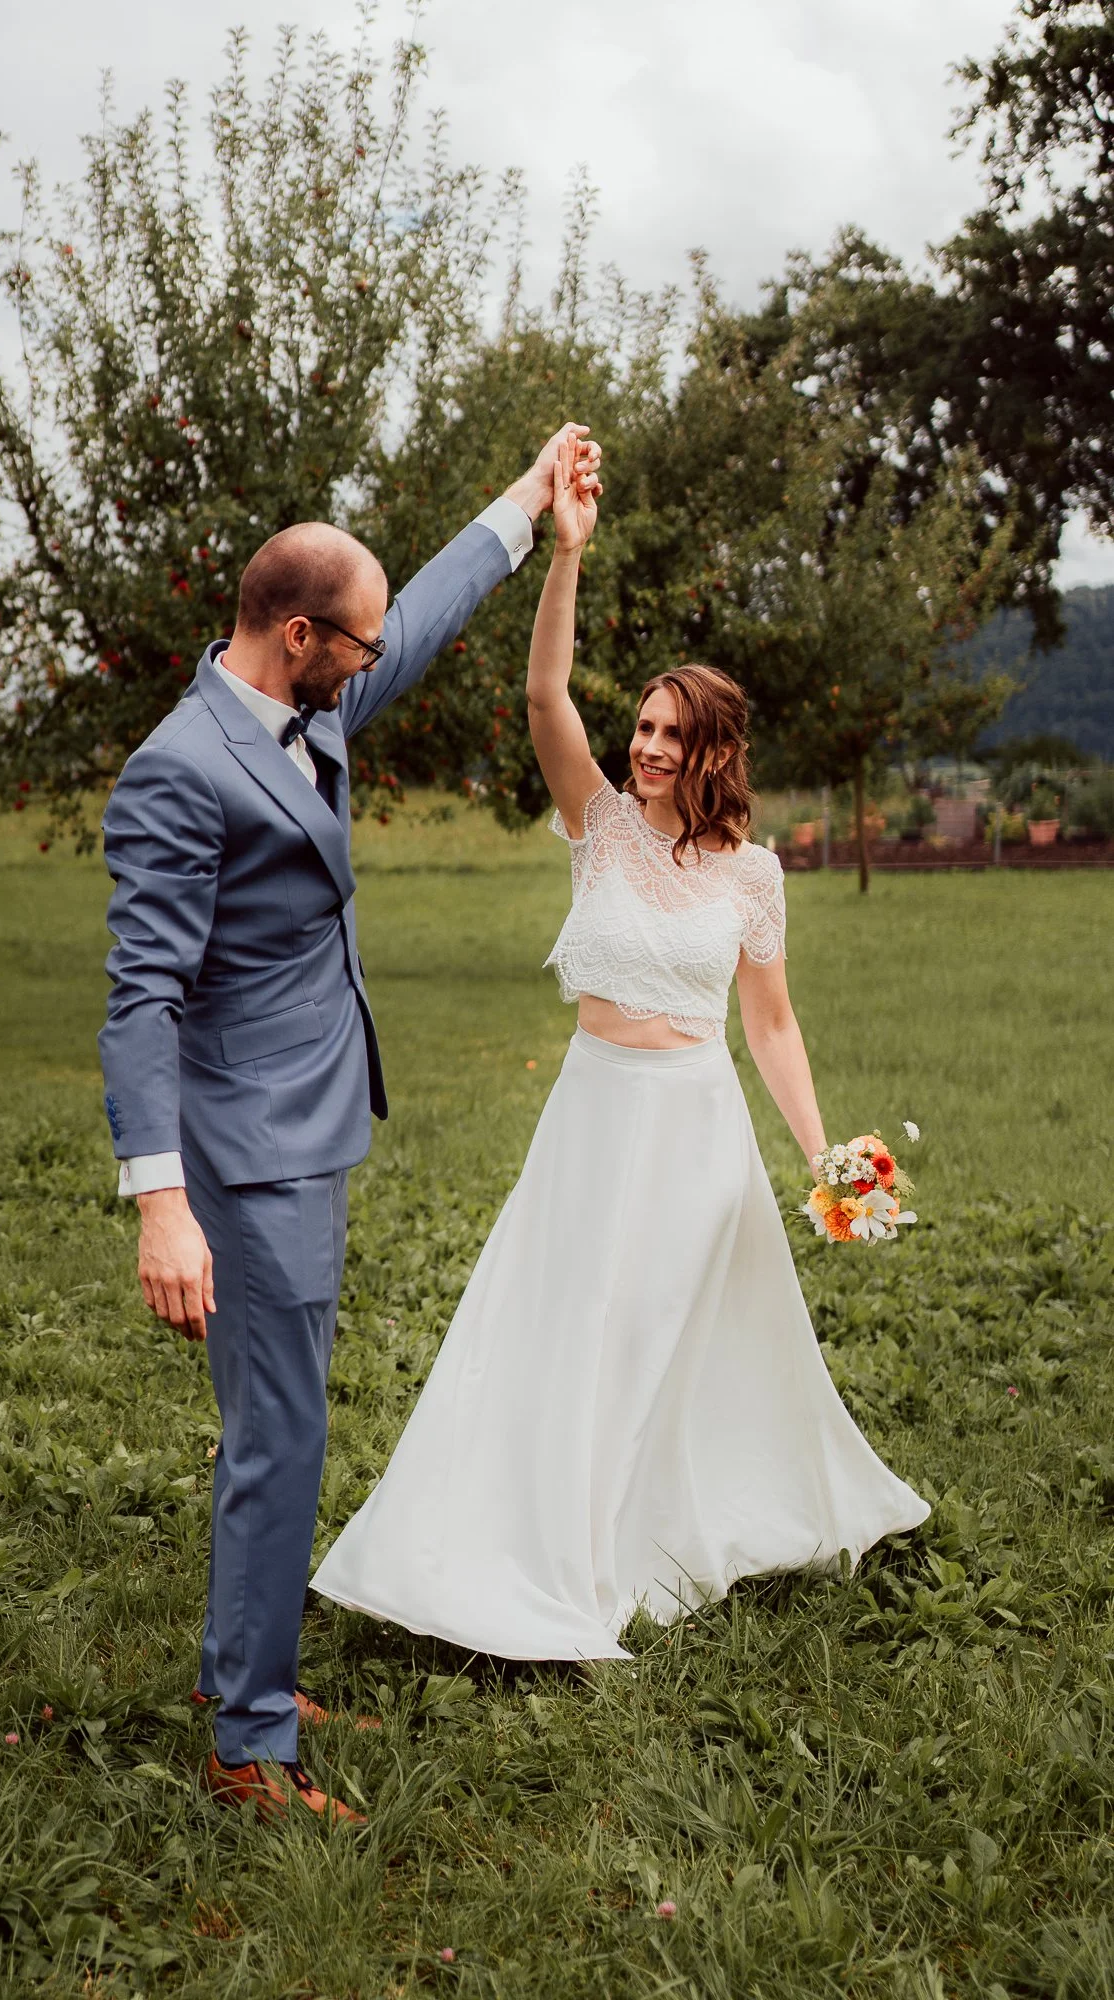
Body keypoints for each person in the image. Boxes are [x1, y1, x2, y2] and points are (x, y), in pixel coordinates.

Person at [312, 432, 929, 1661]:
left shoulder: (753, 875)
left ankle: (640, 1537)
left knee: (661, 1339)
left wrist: (826, 1156)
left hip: (695, 1130)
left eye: (666, 734)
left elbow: (769, 1022)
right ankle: (553, 1561)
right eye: (639, 725)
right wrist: (564, 556)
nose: (643, 746)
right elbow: (545, 696)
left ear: (713, 752)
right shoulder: (595, 824)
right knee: (566, 1329)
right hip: (595, 1116)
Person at [97, 425, 602, 1824]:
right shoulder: (180, 771)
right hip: (243, 1157)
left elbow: (425, 610)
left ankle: (235, 1671)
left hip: (309, 1126)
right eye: (357, 646)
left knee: (279, 1421)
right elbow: (139, 1000)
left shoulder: (310, 707)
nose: (377, 661)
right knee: (284, 1436)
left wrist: (530, 494)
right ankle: (248, 1747)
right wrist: (161, 1201)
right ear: (300, 633)